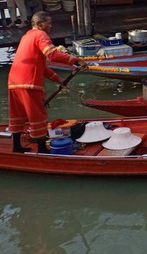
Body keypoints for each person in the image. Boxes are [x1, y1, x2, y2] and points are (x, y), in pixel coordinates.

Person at [8, 11, 87, 153]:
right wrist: (75, 60)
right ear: (39, 24)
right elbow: (52, 54)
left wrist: (58, 79)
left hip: (14, 82)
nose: (50, 26)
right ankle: (42, 148)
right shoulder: (40, 34)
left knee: (17, 114)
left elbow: (41, 67)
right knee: (38, 115)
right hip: (29, 82)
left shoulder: (27, 36)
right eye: (48, 23)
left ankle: (17, 146)